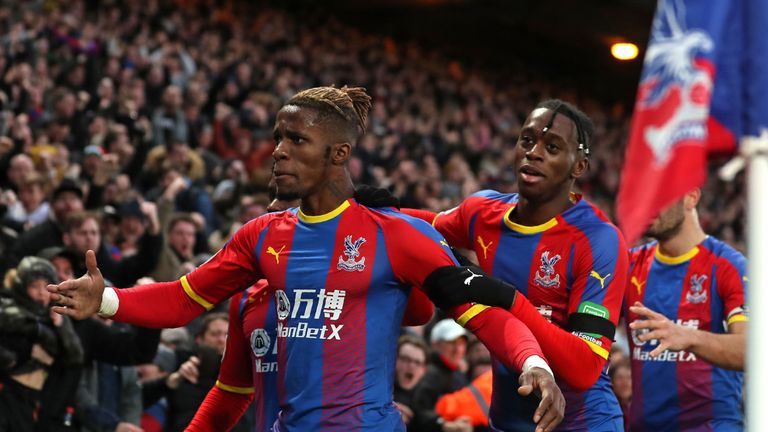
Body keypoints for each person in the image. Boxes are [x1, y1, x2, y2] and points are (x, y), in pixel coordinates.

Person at [48, 86, 564, 431]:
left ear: (338, 154)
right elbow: (183, 300)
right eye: (278, 137)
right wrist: (109, 299)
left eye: (296, 139)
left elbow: (479, 311)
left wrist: (534, 362)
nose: (278, 151)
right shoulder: (261, 236)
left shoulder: (396, 235)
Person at [404, 99, 627, 430]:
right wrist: (373, 208)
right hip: (506, 421)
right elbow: (425, 225)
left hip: (583, 423)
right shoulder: (483, 212)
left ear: (578, 167)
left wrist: (510, 301)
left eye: (552, 147)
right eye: (527, 139)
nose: (534, 152)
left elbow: (585, 368)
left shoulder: (599, 240)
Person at [625, 188, 747, 431]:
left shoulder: (730, 266)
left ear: (691, 196)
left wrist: (688, 336)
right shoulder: (629, 264)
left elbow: (753, 350)